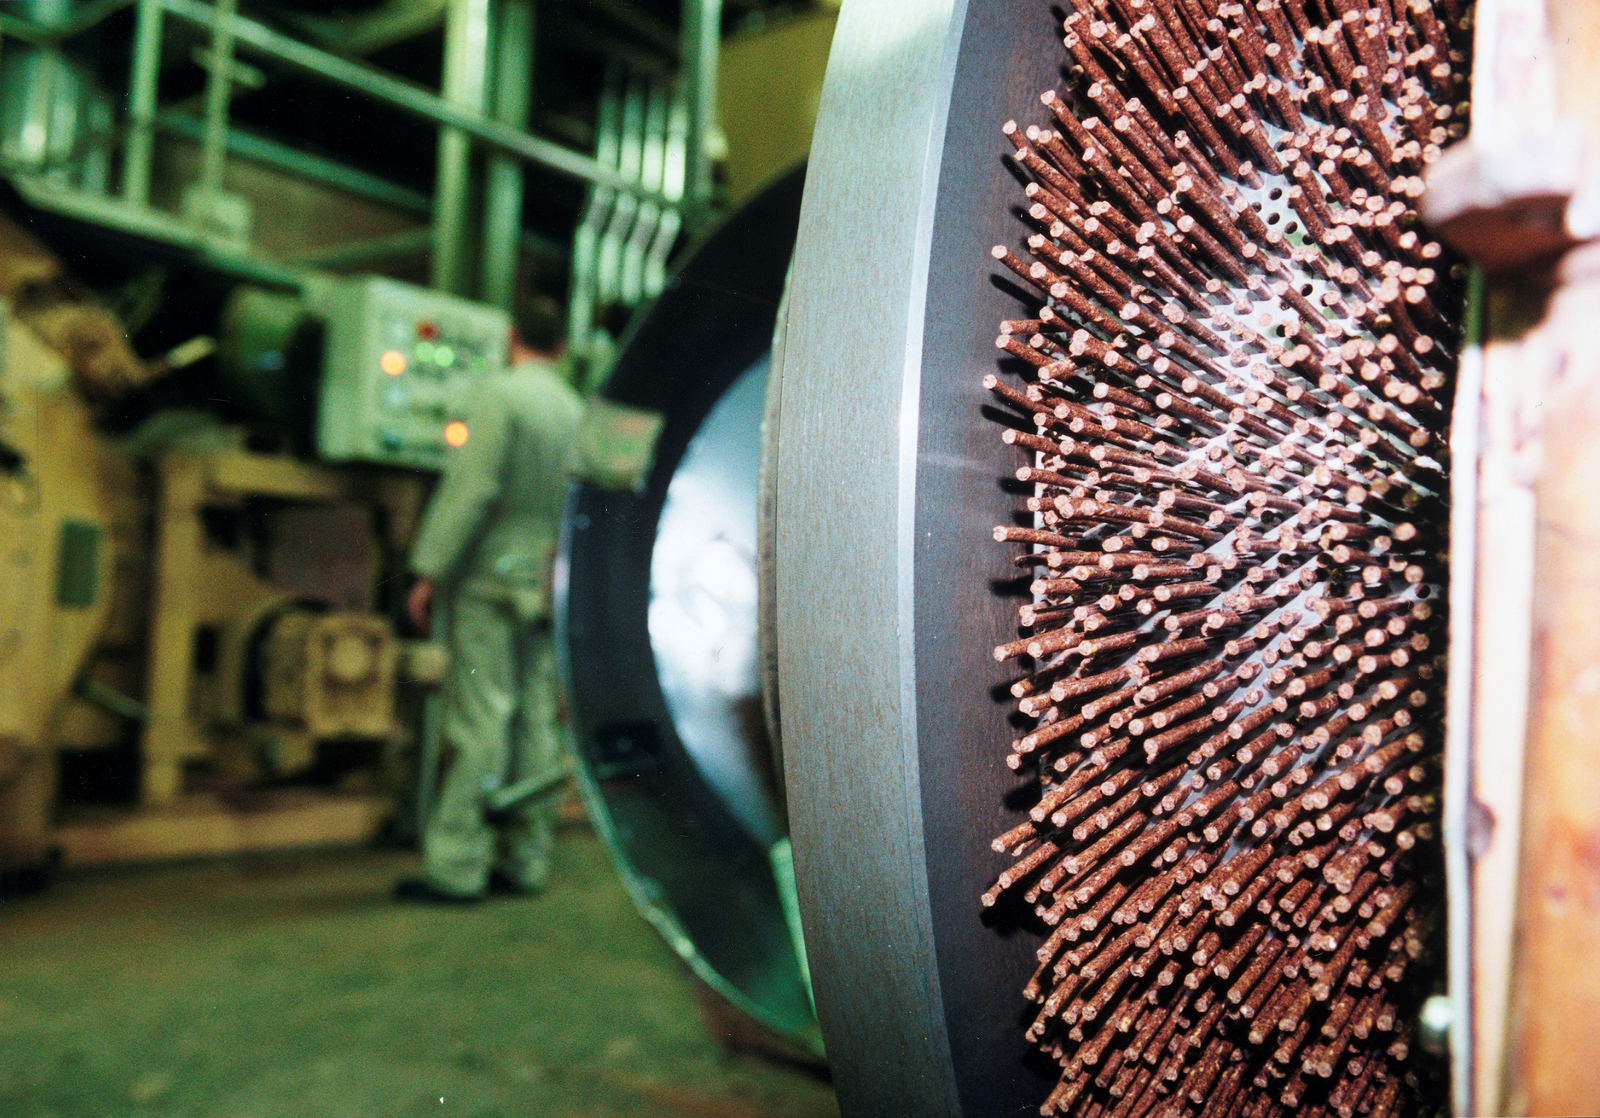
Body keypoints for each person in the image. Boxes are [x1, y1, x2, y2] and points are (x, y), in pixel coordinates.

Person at [395, 337, 587, 903]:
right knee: (532, 717)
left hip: (489, 577)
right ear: (560, 347)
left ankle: (457, 866)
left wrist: (428, 567)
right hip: (542, 580)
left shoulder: (501, 396)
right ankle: (526, 859)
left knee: (481, 717)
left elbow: (473, 487)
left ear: (511, 340)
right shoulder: (576, 410)